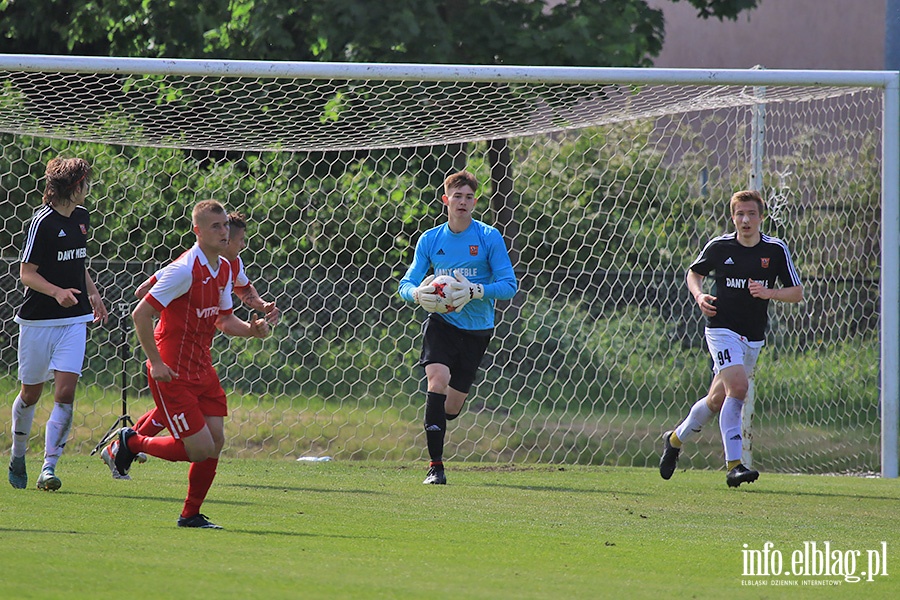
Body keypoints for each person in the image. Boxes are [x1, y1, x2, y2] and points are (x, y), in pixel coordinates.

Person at [113, 200, 270, 528]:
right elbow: (140, 314)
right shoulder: (184, 270)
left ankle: (190, 514)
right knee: (198, 449)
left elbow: (225, 321)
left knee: (215, 443)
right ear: (197, 231)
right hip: (172, 372)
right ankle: (132, 442)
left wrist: (253, 331)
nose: (224, 231)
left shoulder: (225, 268)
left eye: (226, 225)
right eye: (216, 226)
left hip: (203, 369)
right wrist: (155, 363)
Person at [659, 189, 803, 487]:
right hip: (720, 328)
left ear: (761, 217)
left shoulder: (775, 250)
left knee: (716, 400)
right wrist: (699, 296)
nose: (745, 219)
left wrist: (769, 293)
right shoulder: (720, 246)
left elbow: (796, 293)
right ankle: (735, 465)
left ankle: (674, 440)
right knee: (739, 387)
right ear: (732, 216)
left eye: (751, 214)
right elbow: (693, 273)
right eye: (740, 214)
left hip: (753, 336)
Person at [398, 170, 518, 485]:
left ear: (474, 202)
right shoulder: (430, 239)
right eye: (457, 196)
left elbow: (509, 285)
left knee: (451, 407)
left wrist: (476, 291)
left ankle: (445, 415)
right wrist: (416, 293)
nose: (462, 202)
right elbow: (406, 282)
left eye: (468, 197)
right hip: (442, 323)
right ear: (446, 200)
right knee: (436, 381)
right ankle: (435, 467)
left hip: (477, 329)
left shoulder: (489, 237)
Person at [8, 157, 108, 491]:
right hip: (38, 322)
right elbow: (26, 274)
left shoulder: (82, 218)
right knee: (30, 394)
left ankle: (49, 468)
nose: (88, 189)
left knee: (65, 392)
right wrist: (56, 292)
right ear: (74, 186)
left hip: (74, 319)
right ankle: (18, 454)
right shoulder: (43, 222)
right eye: (86, 183)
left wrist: (92, 294)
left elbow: (79, 262)